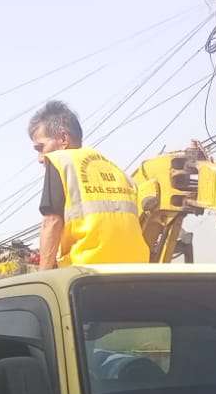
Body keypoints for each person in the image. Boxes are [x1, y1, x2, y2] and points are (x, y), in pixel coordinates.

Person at [29, 99, 149, 269]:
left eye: (41, 147)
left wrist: (42, 279)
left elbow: (52, 222)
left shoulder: (61, 160)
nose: (41, 158)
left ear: (63, 138)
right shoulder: (117, 170)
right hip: (135, 268)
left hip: (86, 272)